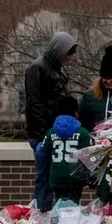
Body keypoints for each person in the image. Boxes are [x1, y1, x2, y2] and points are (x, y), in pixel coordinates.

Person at [24, 31, 77, 211]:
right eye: (68, 53)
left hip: (51, 132)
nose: (69, 58)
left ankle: (50, 215)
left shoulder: (53, 69)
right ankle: (41, 215)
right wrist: (44, 137)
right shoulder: (38, 68)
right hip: (43, 134)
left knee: (52, 177)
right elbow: (35, 105)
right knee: (45, 178)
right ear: (59, 50)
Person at [78, 45, 112, 208]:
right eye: (105, 77)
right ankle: (104, 211)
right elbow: (84, 123)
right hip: (98, 149)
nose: (108, 81)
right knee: (103, 184)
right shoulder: (90, 97)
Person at [36, 95, 92, 205]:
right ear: (76, 112)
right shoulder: (83, 133)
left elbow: (42, 153)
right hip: (75, 178)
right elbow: (88, 157)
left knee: (59, 204)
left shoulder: (51, 132)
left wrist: (39, 146)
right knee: (73, 205)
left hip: (57, 177)